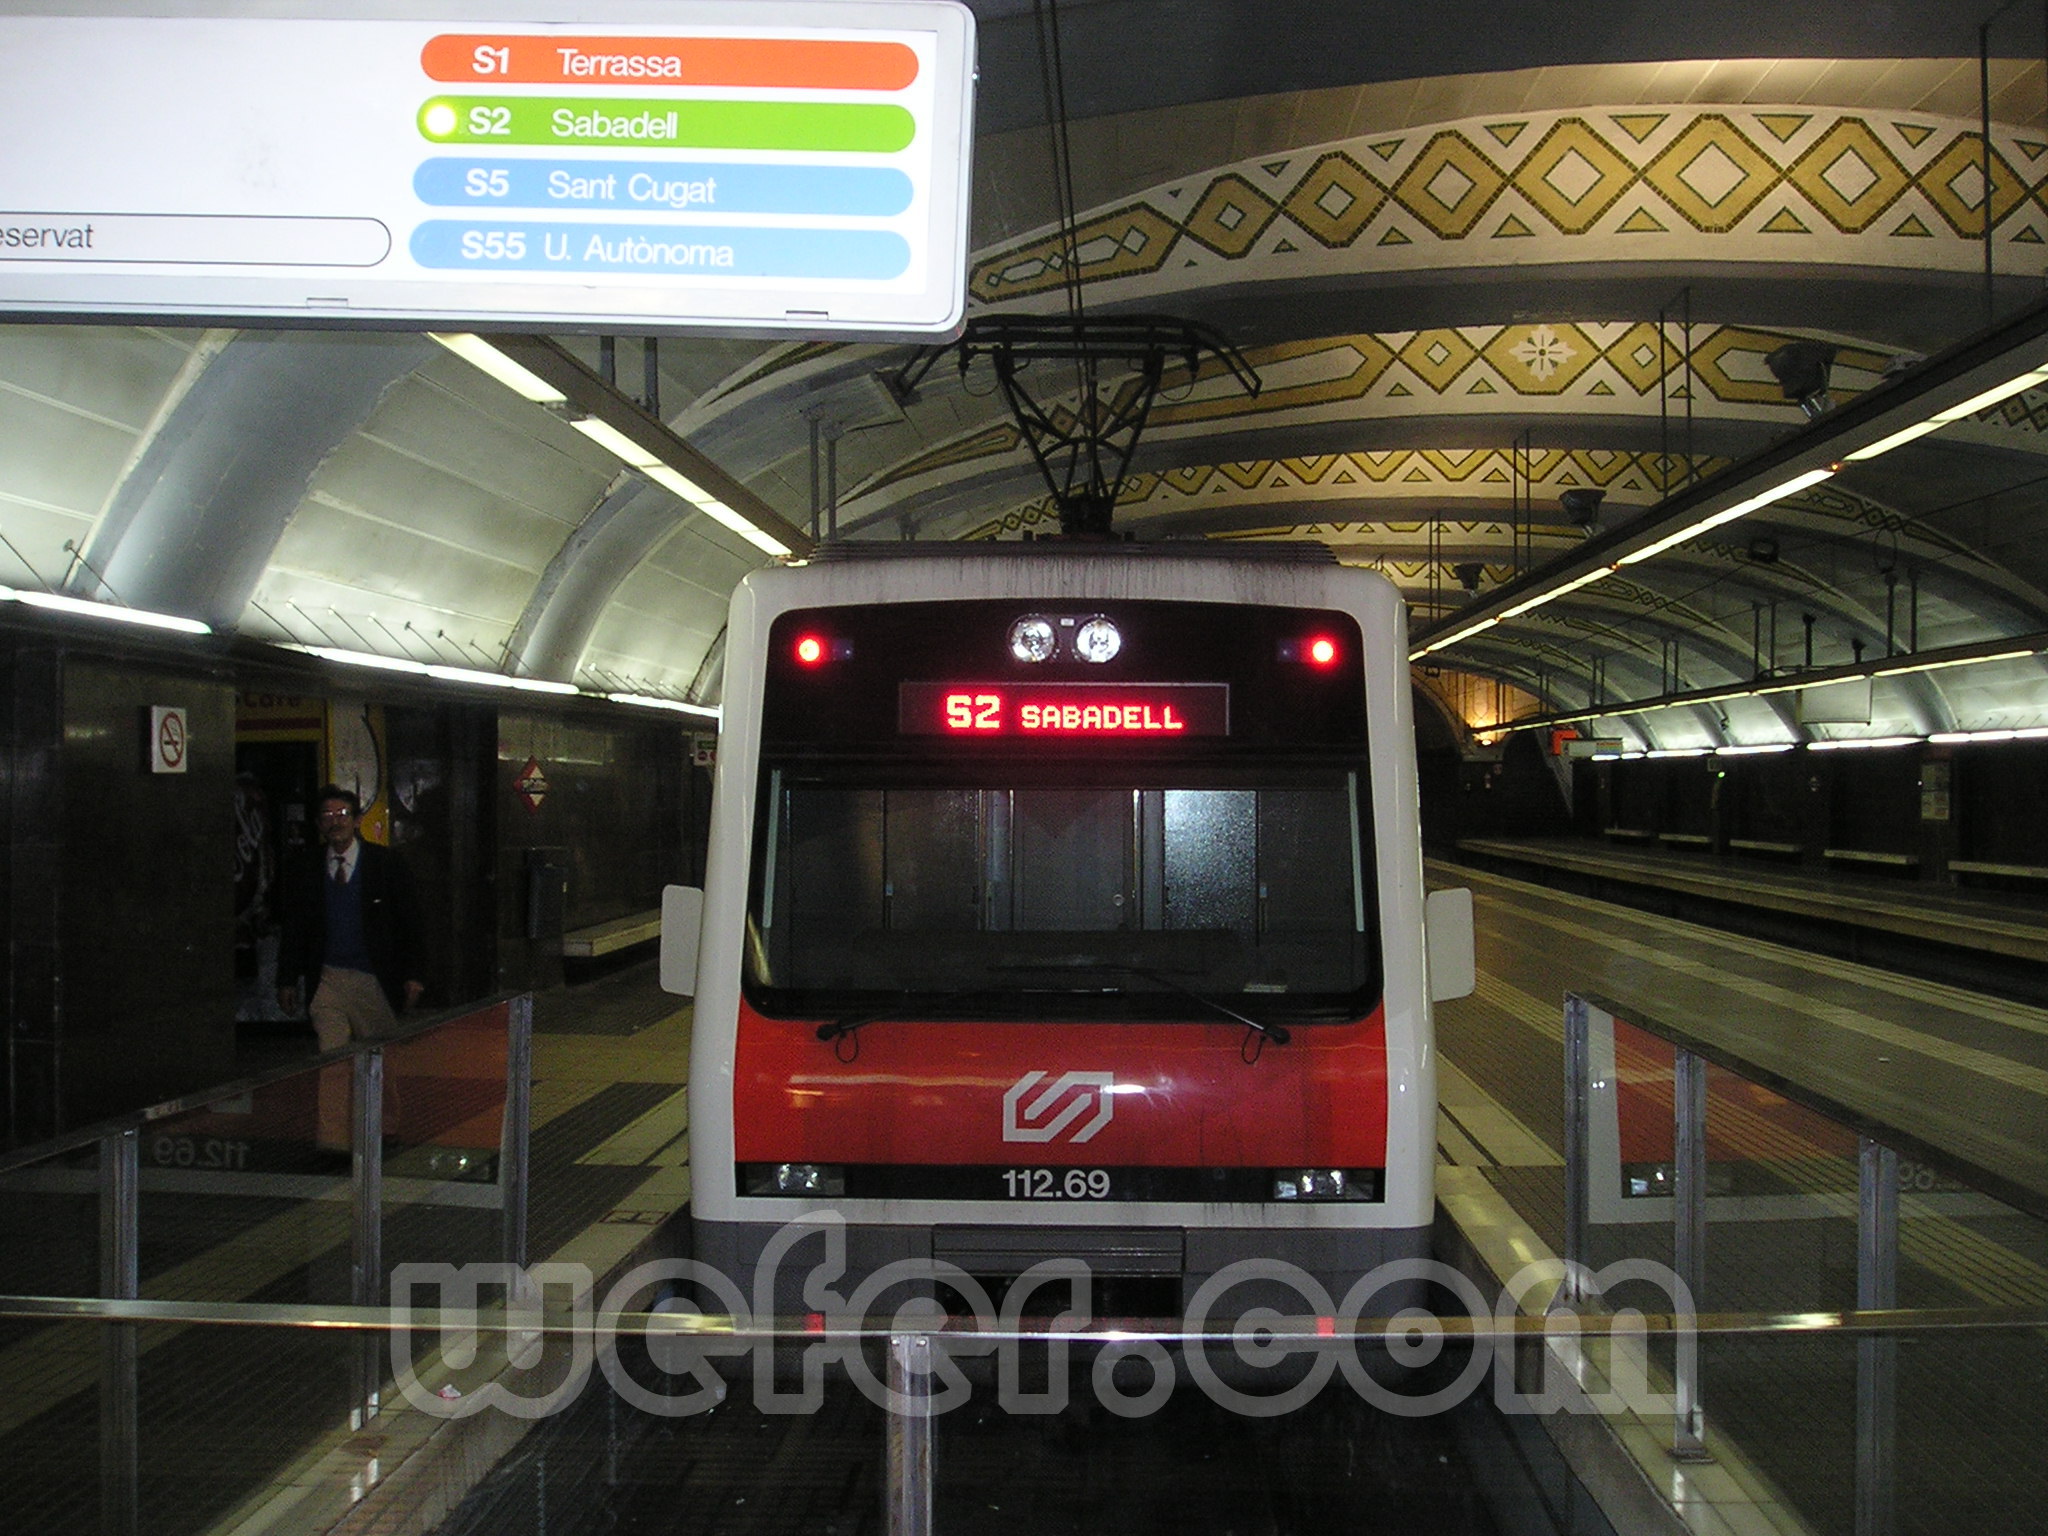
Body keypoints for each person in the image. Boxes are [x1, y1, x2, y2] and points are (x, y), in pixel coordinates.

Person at [277, 786, 425, 1150]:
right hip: (328, 977)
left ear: (357, 820)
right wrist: (287, 978)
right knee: (333, 1059)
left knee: (379, 1058)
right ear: (318, 824)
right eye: (327, 816)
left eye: (342, 815)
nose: (335, 822)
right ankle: (334, 1140)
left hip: (373, 978)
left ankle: (385, 1127)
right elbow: (295, 926)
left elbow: (410, 921)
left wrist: (414, 973)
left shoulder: (385, 865)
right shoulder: (307, 868)